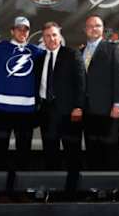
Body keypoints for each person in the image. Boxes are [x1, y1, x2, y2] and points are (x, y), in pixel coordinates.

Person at [0, 16, 44, 170]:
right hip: (2, 111)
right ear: (12, 31)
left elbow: (56, 56)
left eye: (26, 29)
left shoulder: (37, 52)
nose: (22, 32)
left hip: (26, 112)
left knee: (24, 154)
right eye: (19, 29)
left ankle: (21, 190)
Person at [35, 22, 85, 170]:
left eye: (54, 35)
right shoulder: (40, 58)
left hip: (69, 113)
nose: (52, 39)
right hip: (46, 113)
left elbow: (81, 83)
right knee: (50, 153)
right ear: (43, 39)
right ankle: (53, 188)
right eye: (47, 36)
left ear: (60, 36)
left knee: (72, 153)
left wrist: (78, 107)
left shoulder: (72, 54)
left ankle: (73, 190)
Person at [82, 15, 119, 170]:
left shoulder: (113, 49)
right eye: (90, 26)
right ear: (85, 29)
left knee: (110, 150)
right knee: (92, 151)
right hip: (87, 111)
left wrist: (118, 103)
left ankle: (112, 190)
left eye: (97, 25)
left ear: (102, 29)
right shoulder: (80, 51)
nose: (94, 28)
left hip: (109, 110)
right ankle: (94, 189)